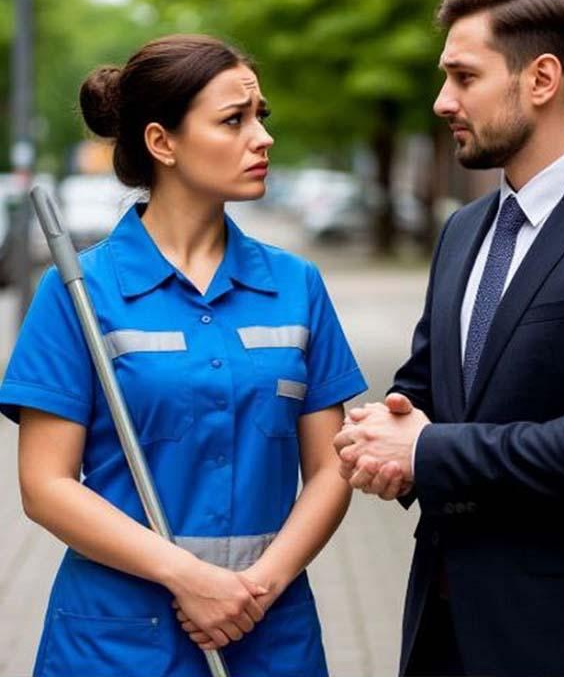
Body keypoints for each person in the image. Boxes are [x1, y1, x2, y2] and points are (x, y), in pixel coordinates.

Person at [334, 0, 564, 677]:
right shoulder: (464, 230)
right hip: (444, 631)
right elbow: (428, 393)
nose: (442, 101)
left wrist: (425, 452)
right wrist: (383, 442)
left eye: (464, 76)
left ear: (542, 79)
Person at [0, 34, 367, 677]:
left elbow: (332, 466)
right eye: (234, 120)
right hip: (116, 643)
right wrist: (190, 578)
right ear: (161, 142)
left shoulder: (296, 285)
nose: (262, 138)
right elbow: (45, 486)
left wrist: (258, 588)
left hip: (267, 632)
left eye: (261, 117)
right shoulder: (81, 293)